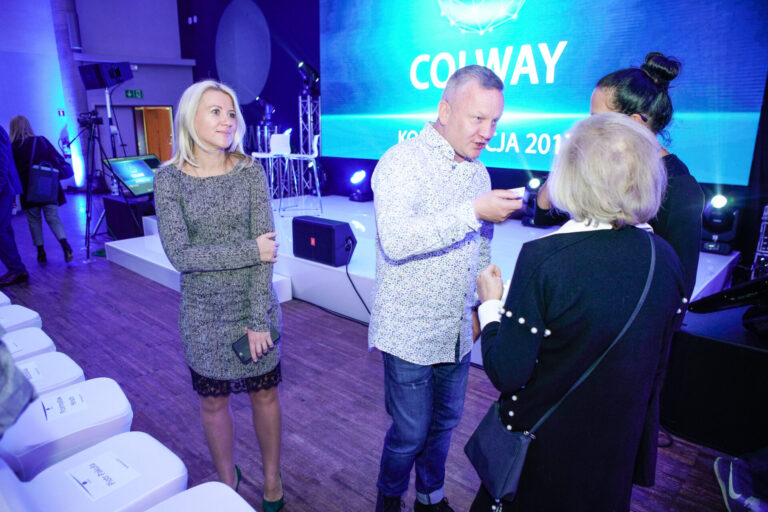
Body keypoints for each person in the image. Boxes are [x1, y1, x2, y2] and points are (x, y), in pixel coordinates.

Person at [471, 113, 687, 511]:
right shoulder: (666, 258)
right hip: (613, 456)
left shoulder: (546, 259)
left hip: (543, 458)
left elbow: (507, 372)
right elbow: (654, 366)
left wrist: (489, 304)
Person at [369, 65, 522, 512]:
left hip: (456, 330)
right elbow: (397, 241)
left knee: (444, 427)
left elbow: (479, 248)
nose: (488, 132)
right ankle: (388, 500)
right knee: (409, 434)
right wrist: (473, 211)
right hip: (408, 331)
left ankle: (430, 498)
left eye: (495, 121)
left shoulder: (479, 173)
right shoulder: (401, 162)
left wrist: (478, 308)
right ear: (445, 110)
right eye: (478, 118)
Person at [154, 80, 284, 511]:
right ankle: (228, 482)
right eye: (216, 111)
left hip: (254, 305)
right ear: (190, 116)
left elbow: (266, 256)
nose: (227, 120)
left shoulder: (249, 171)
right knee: (212, 402)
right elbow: (181, 256)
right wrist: (251, 250)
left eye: (231, 113)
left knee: (264, 395)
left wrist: (258, 320)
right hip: (203, 313)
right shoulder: (168, 179)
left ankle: (272, 479)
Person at [533, 52, 704, 298]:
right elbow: (543, 215)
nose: (587, 127)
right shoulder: (599, 165)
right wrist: (567, 160)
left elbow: (679, 286)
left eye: (596, 120)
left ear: (634, 123)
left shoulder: (678, 186)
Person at [9, 116, 74, 265]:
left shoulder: (12, 147)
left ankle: (41, 252)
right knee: (53, 217)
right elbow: (57, 159)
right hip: (48, 184)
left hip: (27, 188)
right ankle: (65, 245)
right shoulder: (41, 141)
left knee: (34, 220)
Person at [0, 125, 28, 286]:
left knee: (1, 229)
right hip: (4, 187)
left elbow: (2, 162)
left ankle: (17, 269)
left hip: (3, 188)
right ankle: (16, 268)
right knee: (4, 229)